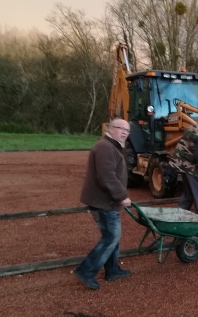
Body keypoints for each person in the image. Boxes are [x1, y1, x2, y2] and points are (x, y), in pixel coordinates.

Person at [74, 118, 132, 290]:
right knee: (111, 237)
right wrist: (122, 195)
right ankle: (87, 271)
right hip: (104, 202)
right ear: (110, 129)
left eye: (127, 130)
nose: (124, 132)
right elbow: (106, 176)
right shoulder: (106, 148)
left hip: (107, 201)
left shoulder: (111, 146)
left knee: (112, 236)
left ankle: (112, 269)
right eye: (120, 128)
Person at [169, 115, 198, 243]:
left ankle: (177, 223)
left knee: (189, 196)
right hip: (193, 170)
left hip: (184, 166)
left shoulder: (195, 127)